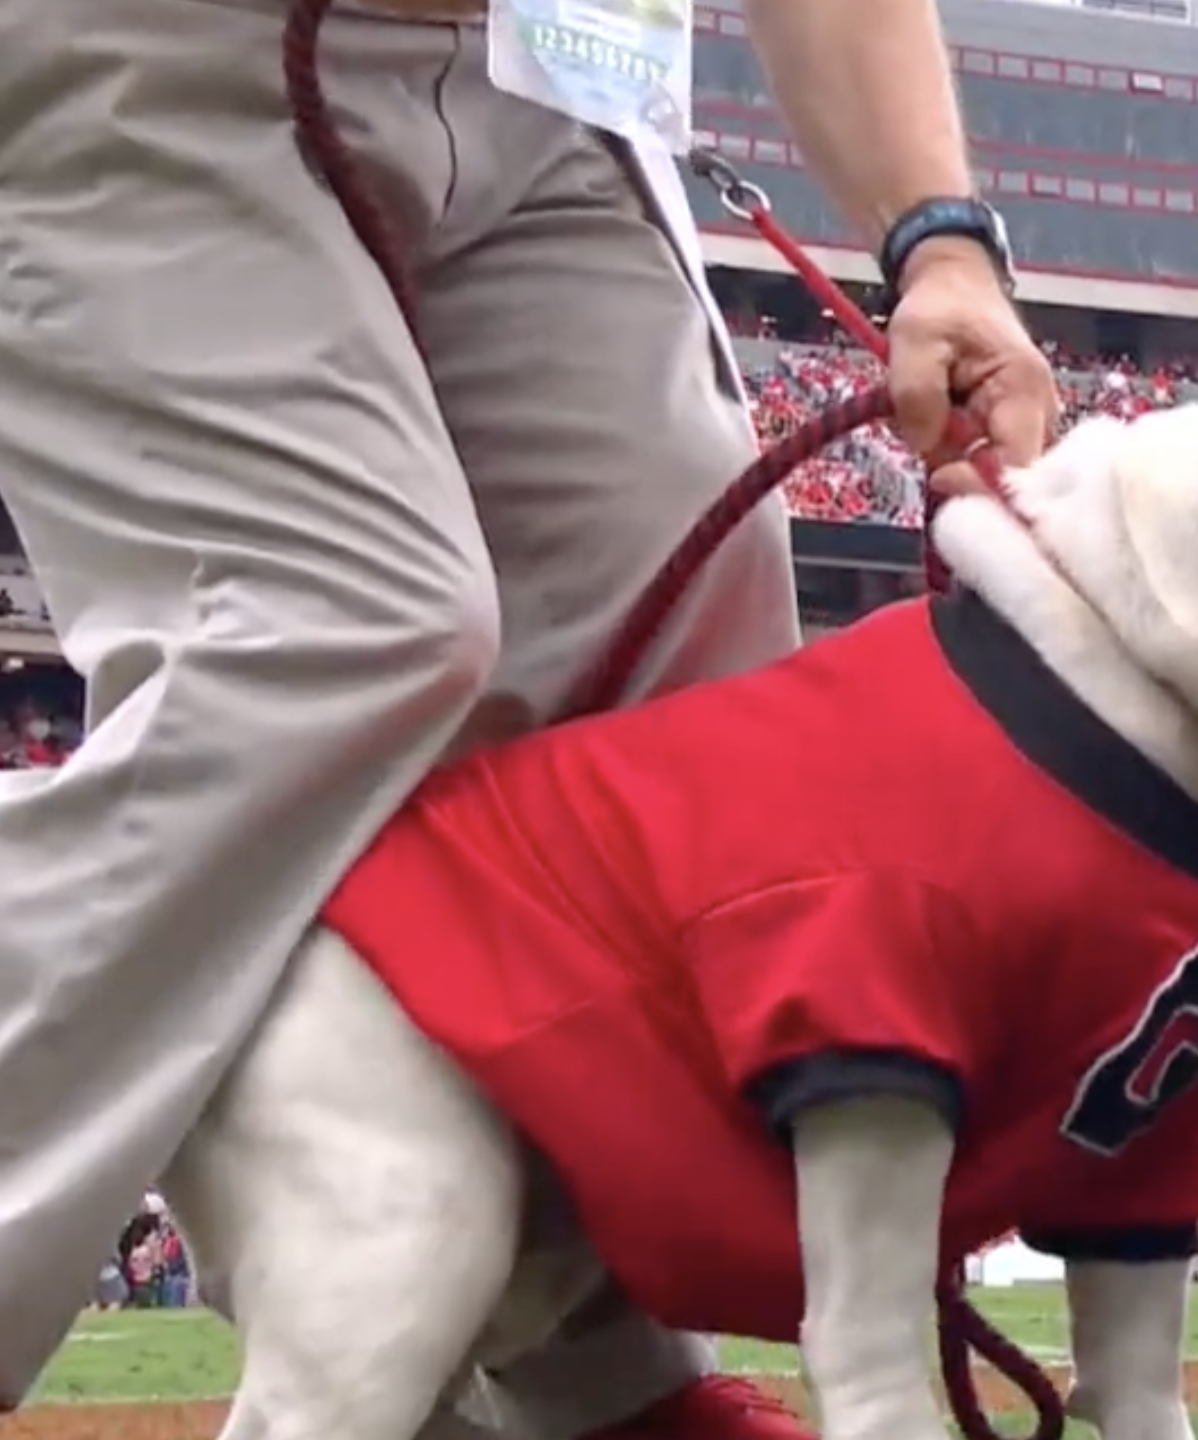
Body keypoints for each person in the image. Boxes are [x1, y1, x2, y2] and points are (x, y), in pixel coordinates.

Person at [0, 0, 1057, 1425]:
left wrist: (939, 241)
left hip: (545, 69)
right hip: (155, 42)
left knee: (688, 607)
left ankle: (595, 1369)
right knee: (335, 624)